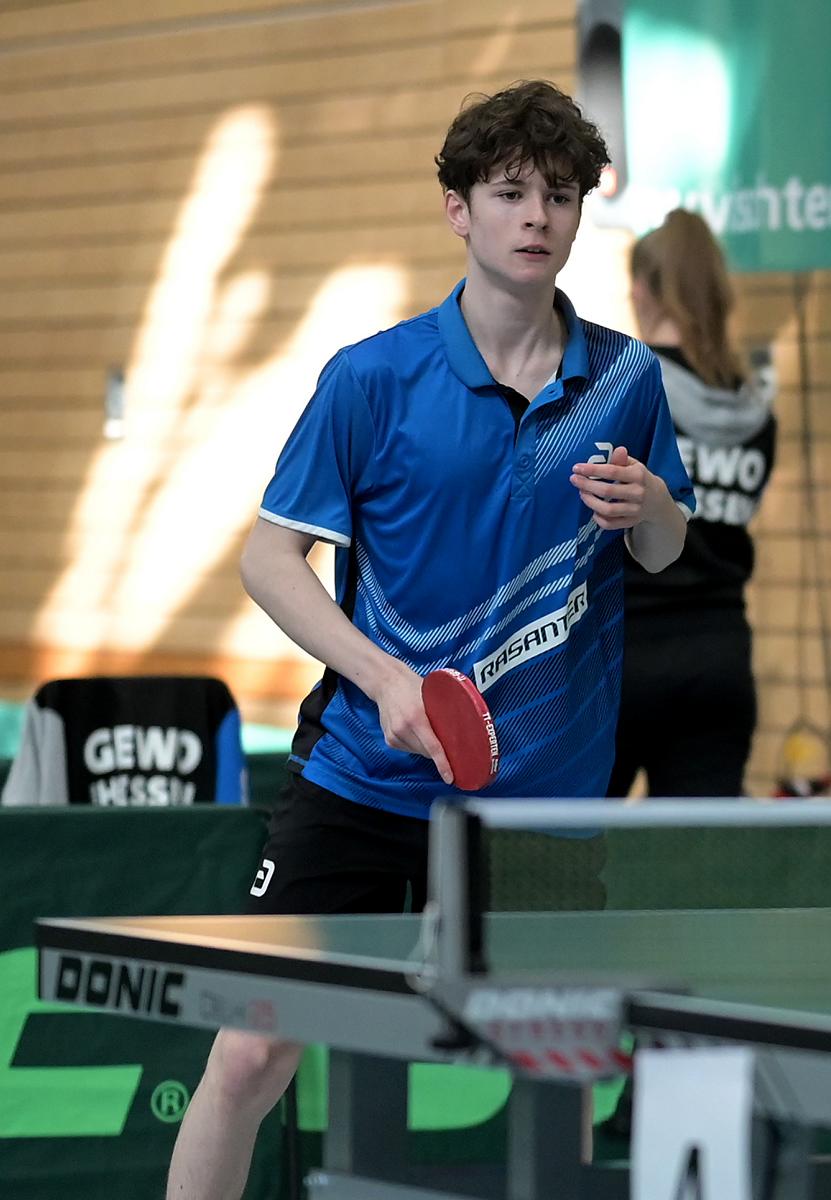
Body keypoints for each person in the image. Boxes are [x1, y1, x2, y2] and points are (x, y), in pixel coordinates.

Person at [166, 81, 694, 1199]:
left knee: (554, 1069)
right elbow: (270, 559)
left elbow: (661, 552)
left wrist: (654, 505)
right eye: (509, 193)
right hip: (367, 774)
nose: (536, 215)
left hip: (539, 799)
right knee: (252, 1050)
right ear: (459, 209)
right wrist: (384, 680)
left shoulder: (626, 381)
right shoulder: (373, 379)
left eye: (560, 195)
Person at [608, 209, 776, 798]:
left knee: (572, 847)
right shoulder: (754, 409)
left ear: (642, 289)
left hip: (623, 652)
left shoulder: (622, 389)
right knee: (696, 856)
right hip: (719, 657)